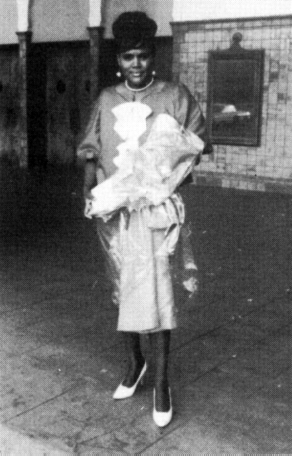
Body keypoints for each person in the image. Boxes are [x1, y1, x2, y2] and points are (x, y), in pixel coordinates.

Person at [77, 11, 205, 427]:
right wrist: (91, 194)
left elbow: (192, 152)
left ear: (154, 57)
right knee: (123, 290)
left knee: (157, 296)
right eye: (129, 57)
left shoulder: (174, 96)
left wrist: (167, 187)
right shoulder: (107, 99)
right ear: (119, 59)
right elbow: (91, 150)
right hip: (115, 212)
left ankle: (163, 382)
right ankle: (135, 364)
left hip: (155, 212)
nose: (137, 64)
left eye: (144, 56)